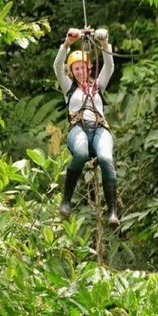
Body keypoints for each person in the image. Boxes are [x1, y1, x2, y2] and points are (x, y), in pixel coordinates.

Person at [53, 27, 119, 225]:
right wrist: (67, 43)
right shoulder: (69, 88)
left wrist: (104, 42)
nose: (80, 72)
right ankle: (66, 201)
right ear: (72, 71)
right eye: (76, 68)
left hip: (99, 128)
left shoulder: (98, 86)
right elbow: (57, 65)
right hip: (78, 129)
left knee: (107, 158)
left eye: (83, 67)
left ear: (89, 68)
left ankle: (113, 212)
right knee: (80, 153)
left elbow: (109, 66)